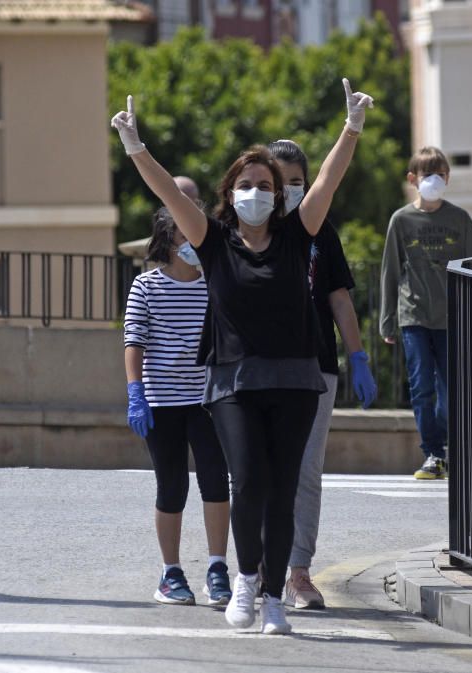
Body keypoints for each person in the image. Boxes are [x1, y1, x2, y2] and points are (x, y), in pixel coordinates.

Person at [111, 78, 373, 634]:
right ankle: (247, 579)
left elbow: (327, 181)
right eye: (246, 184)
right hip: (232, 383)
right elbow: (168, 194)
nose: (256, 191)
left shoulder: (300, 235)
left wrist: (351, 128)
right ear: (230, 194)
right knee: (248, 481)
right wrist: (135, 147)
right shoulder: (212, 239)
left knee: (281, 488)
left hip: (297, 381)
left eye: (266, 185)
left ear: (279, 196)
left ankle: (274, 596)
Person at [267, 138, 377, 610]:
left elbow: (338, 297)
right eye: (280, 181)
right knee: (260, 472)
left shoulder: (320, 232)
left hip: (315, 367)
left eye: (297, 182)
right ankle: (254, 568)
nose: (288, 190)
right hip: (260, 367)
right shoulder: (248, 230)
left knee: (305, 472)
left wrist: (358, 357)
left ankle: (298, 572)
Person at [123, 207, 232, 607]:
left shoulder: (214, 284)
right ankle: (170, 572)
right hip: (161, 401)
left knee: (216, 481)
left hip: (207, 400)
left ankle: (218, 567)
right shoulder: (145, 286)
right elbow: (134, 340)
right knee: (172, 486)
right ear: (169, 240)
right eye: (187, 235)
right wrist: (135, 392)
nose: (196, 243)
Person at [379, 147, 472, 481]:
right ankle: (434, 453)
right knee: (421, 385)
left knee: (450, 389)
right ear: (413, 179)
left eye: (440, 174)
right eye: (428, 174)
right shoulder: (402, 220)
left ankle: (447, 444)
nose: (434, 180)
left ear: (448, 178)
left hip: (451, 317)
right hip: (414, 317)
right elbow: (390, 272)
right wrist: (387, 319)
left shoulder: (459, 219)